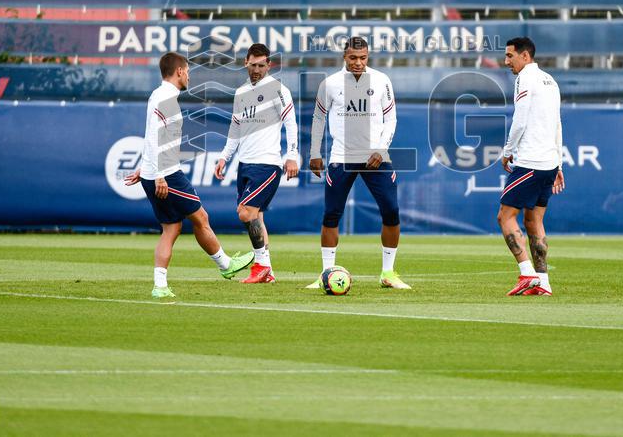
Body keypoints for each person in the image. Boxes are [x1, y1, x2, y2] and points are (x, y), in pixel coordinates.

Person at [124, 52, 253, 299]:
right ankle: (226, 265)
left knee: (171, 229)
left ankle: (160, 285)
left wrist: (146, 169)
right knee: (201, 217)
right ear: (180, 71)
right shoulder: (167, 99)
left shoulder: (158, 95)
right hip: (168, 174)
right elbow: (155, 138)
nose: (189, 76)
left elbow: (151, 134)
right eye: (188, 71)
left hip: (156, 172)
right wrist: (159, 174)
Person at [308, 37, 410, 289]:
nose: (358, 63)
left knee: (391, 211)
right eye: (353, 58)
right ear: (344, 56)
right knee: (331, 214)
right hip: (341, 157)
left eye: (363, 58)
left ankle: (388, 273)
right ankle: (325, 274)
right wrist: (314, 152)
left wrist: (381, 148)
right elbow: (319, 118)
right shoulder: (330, 83)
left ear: (368, 56)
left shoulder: (381, 80)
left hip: (376, 158)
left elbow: (391, 119)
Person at [213, 43, 299, 284]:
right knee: (256, 218)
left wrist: (291, 155)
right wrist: (224, 157)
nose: (257, 70)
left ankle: (259, 265)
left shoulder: (278, 89)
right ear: (246, 63)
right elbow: (235, 128)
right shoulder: (240, 92)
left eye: (262, 65)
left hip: (267, 163)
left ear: (269, 65)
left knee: (245, 213)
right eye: (253, 65)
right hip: (245, 163)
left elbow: (291, 123)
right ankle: (267, 271)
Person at [498, 37, 564, 296]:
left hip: (530, 161)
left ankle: (526, 273)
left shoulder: (524, 78)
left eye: (510, 56)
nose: (506, 61)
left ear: (525, 56)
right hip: (548, 162)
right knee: (534, 221)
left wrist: (507, 151)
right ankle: (543, 283)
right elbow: (558, 123)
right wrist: (558, 162)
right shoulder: (551, 80)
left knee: (505, 216)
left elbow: (520, 118)